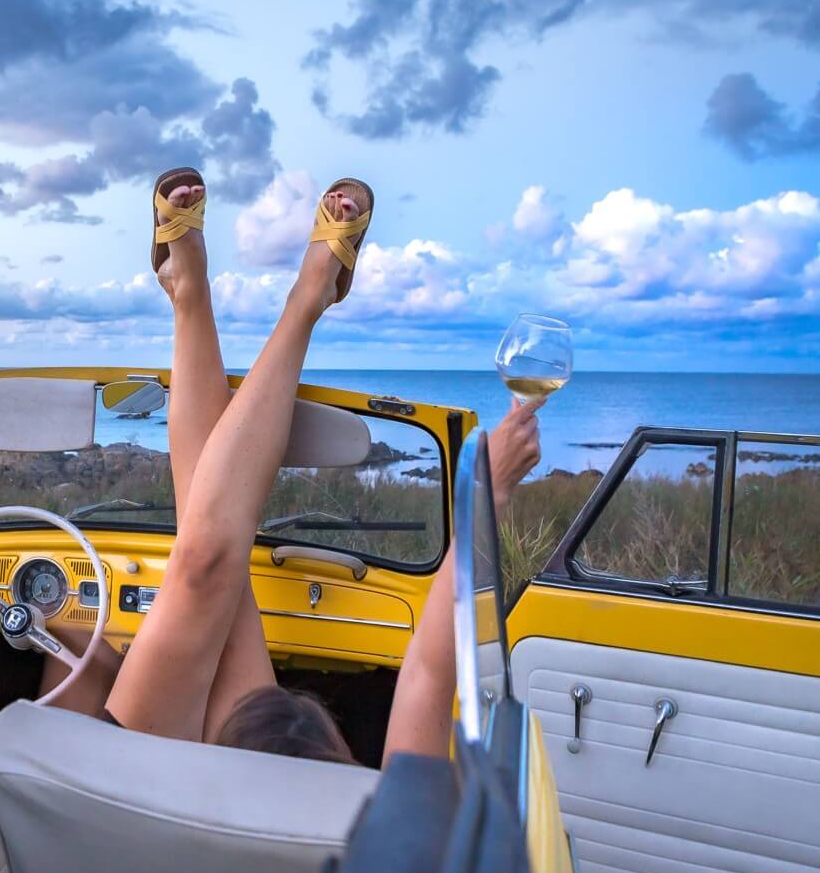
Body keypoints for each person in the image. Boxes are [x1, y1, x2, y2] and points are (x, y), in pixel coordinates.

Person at [42, 166, 542, 765]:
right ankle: (295, 298)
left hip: (135, 801)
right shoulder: (380, 839)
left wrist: (491, 490)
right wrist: (488, 496)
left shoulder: (395, 834)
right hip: (272, 775)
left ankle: (203, 293)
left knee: (207, 564)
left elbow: (429, 679)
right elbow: (429, 679)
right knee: (211, 569)